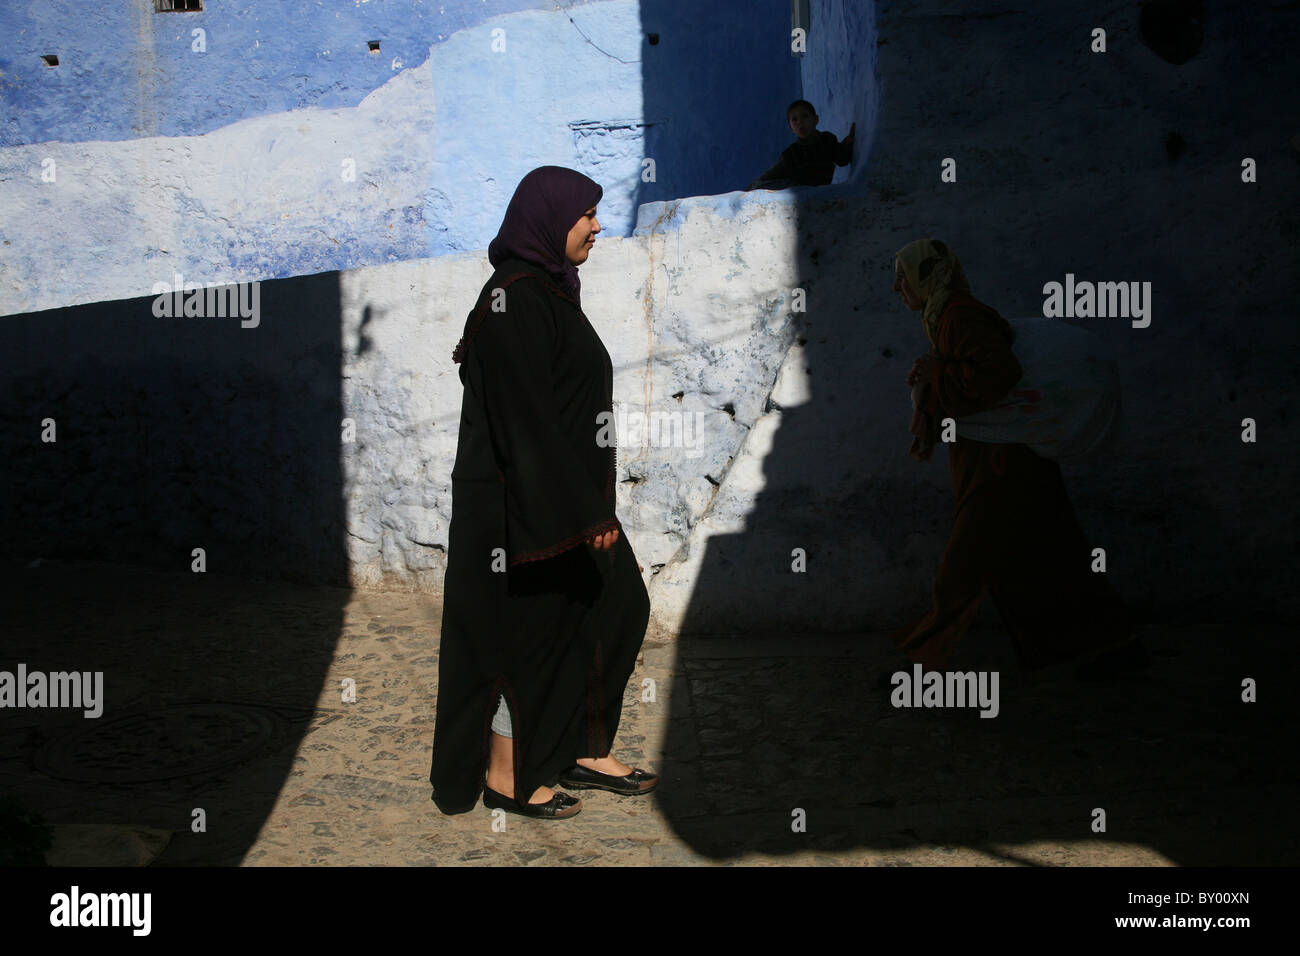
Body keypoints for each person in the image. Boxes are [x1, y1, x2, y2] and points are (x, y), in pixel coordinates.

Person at [430, 166, 658, 820]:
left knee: (613, 609)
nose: (596, 225)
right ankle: (506, 774)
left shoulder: (550, 293)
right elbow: (526, 421)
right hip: (520, 513)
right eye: (585, 213)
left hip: (567, 500)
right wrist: (584, 512)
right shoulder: (512, 298)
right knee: (525, 642)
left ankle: (583, 746)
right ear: (548, 216)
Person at [890, 238, 1145, 679]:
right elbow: (969, 370)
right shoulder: (947, 316)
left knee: (966, 561)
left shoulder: (957, 315)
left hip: (998, 466)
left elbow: (998, 375)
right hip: (1006, 460)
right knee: (1047, 552)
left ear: (928, 277)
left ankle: (925, 662)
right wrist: (933, 372)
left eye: (904, 277)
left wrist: (938, 374)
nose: (898, 288)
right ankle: (1103, 644)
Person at [746, 100, 855, 190]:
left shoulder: (827, 140)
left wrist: (847, 143)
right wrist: (751, 188)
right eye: (795, 119)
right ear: (791, 128)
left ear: (815, 120)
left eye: (804, 116)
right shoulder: (791, 153)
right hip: (799, 193)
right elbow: (773, 174)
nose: (800, 122)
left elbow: (842, 159)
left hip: (820, 194)